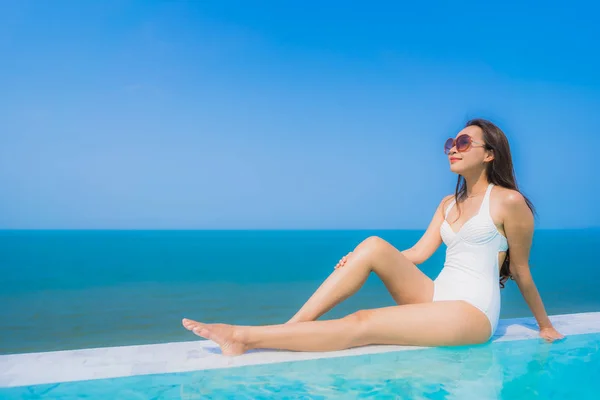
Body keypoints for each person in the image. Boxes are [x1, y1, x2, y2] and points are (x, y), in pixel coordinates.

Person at [182, 118, 565, 356]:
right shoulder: (448, 203)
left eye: (463, 143)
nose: (453, 149)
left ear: (489, 154)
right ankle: (293, 326)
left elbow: (521, 270)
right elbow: (417, 252)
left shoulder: (509, 202)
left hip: (472, 312)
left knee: (364, 322)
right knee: (372, 244)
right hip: (436, 295)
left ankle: (243, 337)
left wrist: (544, 325)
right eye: (450, 143)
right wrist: (365, 258)